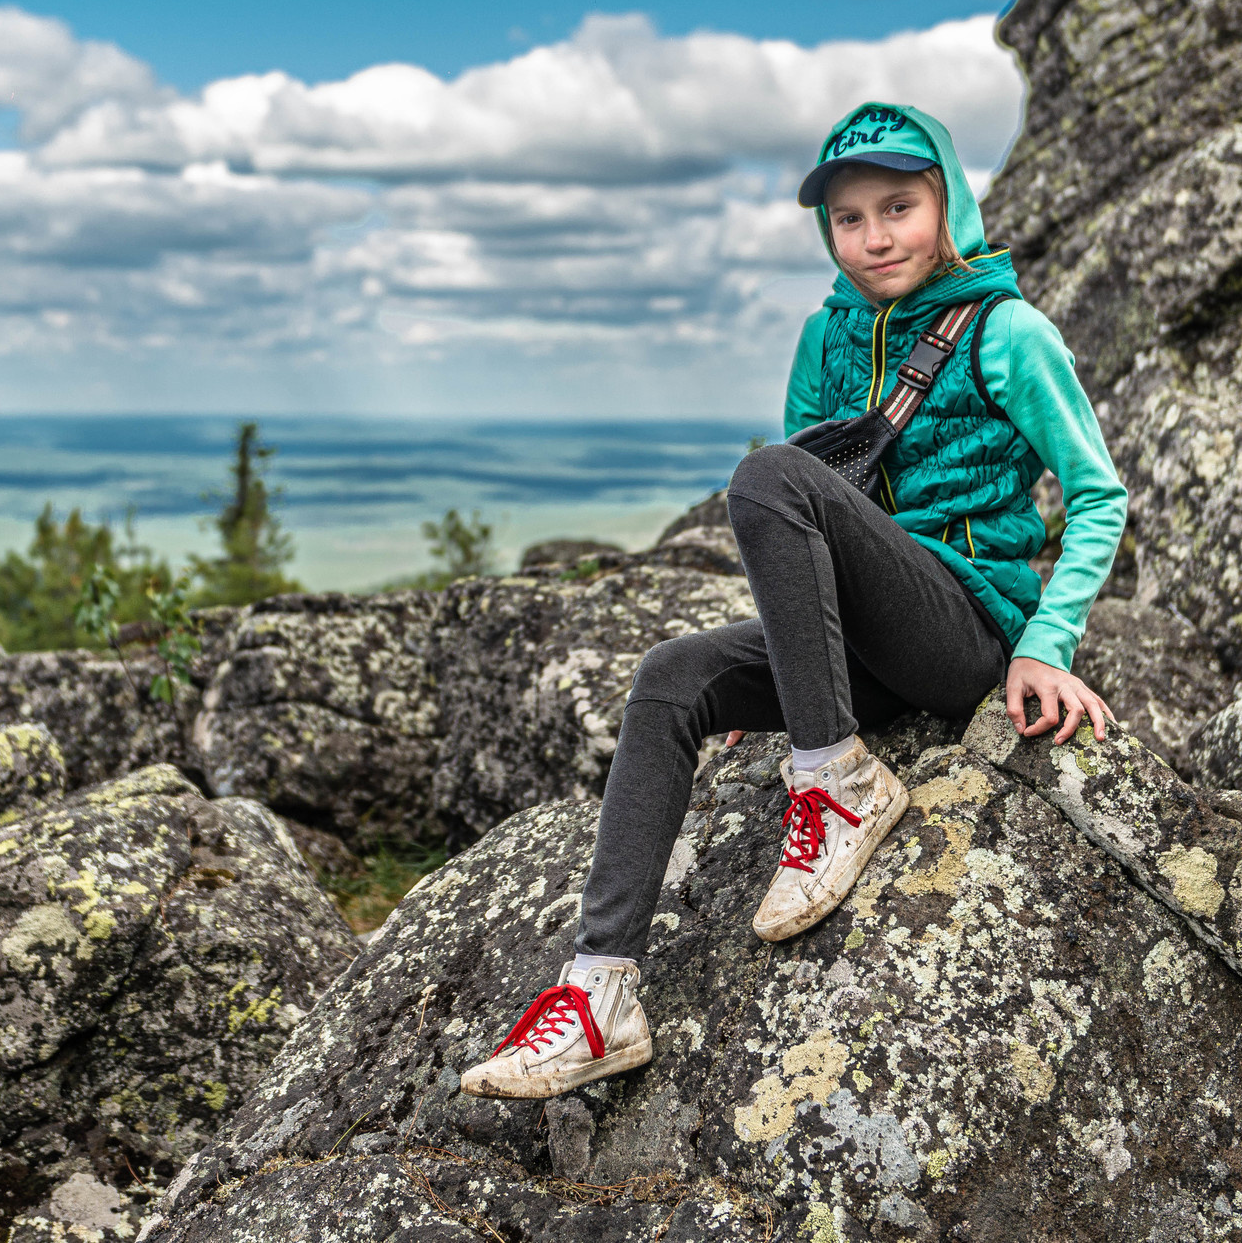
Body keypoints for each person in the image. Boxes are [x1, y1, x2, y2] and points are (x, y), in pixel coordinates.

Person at [459, 100, 1128, 1100]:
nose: (873, 237)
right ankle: (600, 994)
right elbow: (815, 519)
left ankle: (838, 783)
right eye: (848, 218)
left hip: (962, 627)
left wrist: (1045, 645)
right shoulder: (823, 336)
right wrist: (795, 665)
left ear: (947, 201)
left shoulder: (1008, 331)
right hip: (862, 648)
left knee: (766, 473)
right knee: (670, 677)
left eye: (898, 206)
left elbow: (1097, 492)